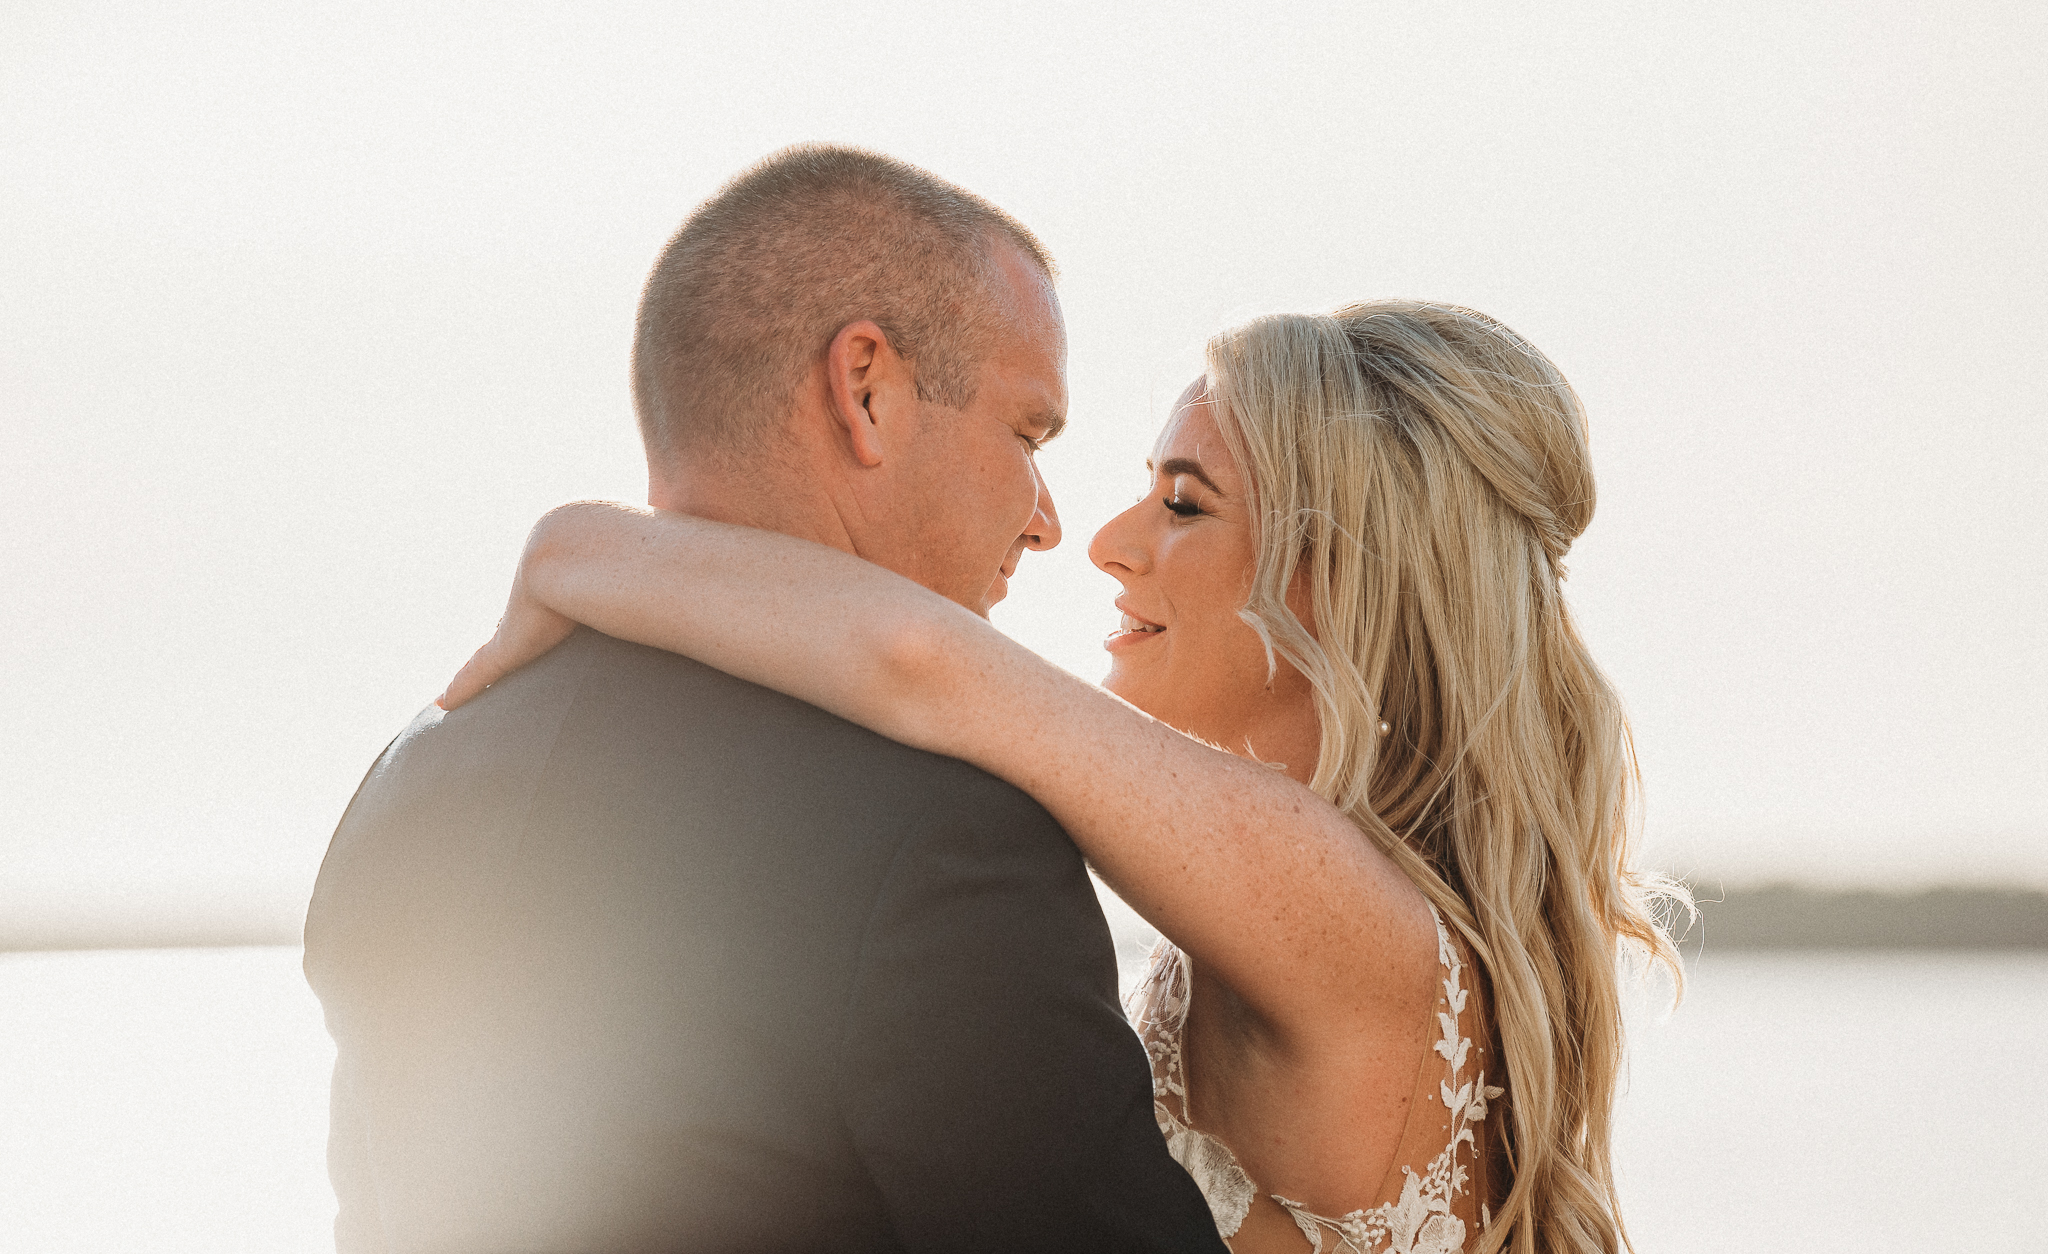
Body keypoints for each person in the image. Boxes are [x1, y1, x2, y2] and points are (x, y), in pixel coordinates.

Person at [442, 300, 1689, 1254]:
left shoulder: (1338, 896)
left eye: (1184, 505)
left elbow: (923, 663)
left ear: (1335, 578)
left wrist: (576, 547)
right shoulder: (1331, 893)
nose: (1104, 540)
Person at [303, 146, 1230, 1253]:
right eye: (1025, 434)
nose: (1044, 518)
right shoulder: (936, 830)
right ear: (867, 390)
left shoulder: (415, 772)